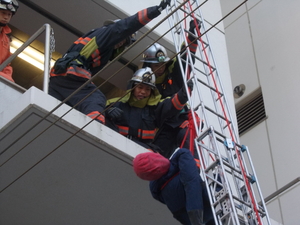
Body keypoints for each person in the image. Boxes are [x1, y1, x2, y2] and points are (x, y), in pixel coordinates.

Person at [49, 0, 171, 124]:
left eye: (125, 41)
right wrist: (156, 10)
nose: (121, 41)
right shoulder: (107, 33)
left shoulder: (101, 45)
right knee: (95, 99)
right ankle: (92, 129)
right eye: (123, 38)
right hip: (72, 75)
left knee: (55, 108)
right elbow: (128, 25)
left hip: (59, 78)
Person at [141, 19, 202, 158]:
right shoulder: (146, 86)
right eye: (156, 66)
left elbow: (186, 57)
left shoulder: (174, 75)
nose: (160, 68)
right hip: (163, 126)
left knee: (189, 150)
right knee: (158, 160)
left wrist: (192, 34)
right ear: (149, 66)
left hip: (181, 118)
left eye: (162, 65)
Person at [105, 67, 191, 150]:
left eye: (148, 89)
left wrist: (183, 94)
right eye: (140, 87)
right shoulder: (115, 103)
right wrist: (107, 112)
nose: (143, 92)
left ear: (152, 92)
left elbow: (170, 105)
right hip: (115, 141)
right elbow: (97, 113)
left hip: (142, 149)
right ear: (132, 87)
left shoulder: (154, 109)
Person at [133, 148, 215, 225]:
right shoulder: (182, 156)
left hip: (190, 219)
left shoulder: (157, 190)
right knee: (215, 178)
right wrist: (196, 218)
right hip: (207, 204)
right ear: (156, 157)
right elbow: (192, 184)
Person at [0, 0, 19, 82]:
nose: (6, 17)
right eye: (3, 13)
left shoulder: (6, 40)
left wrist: (8, 79)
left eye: (9, 14)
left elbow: (6, 64)